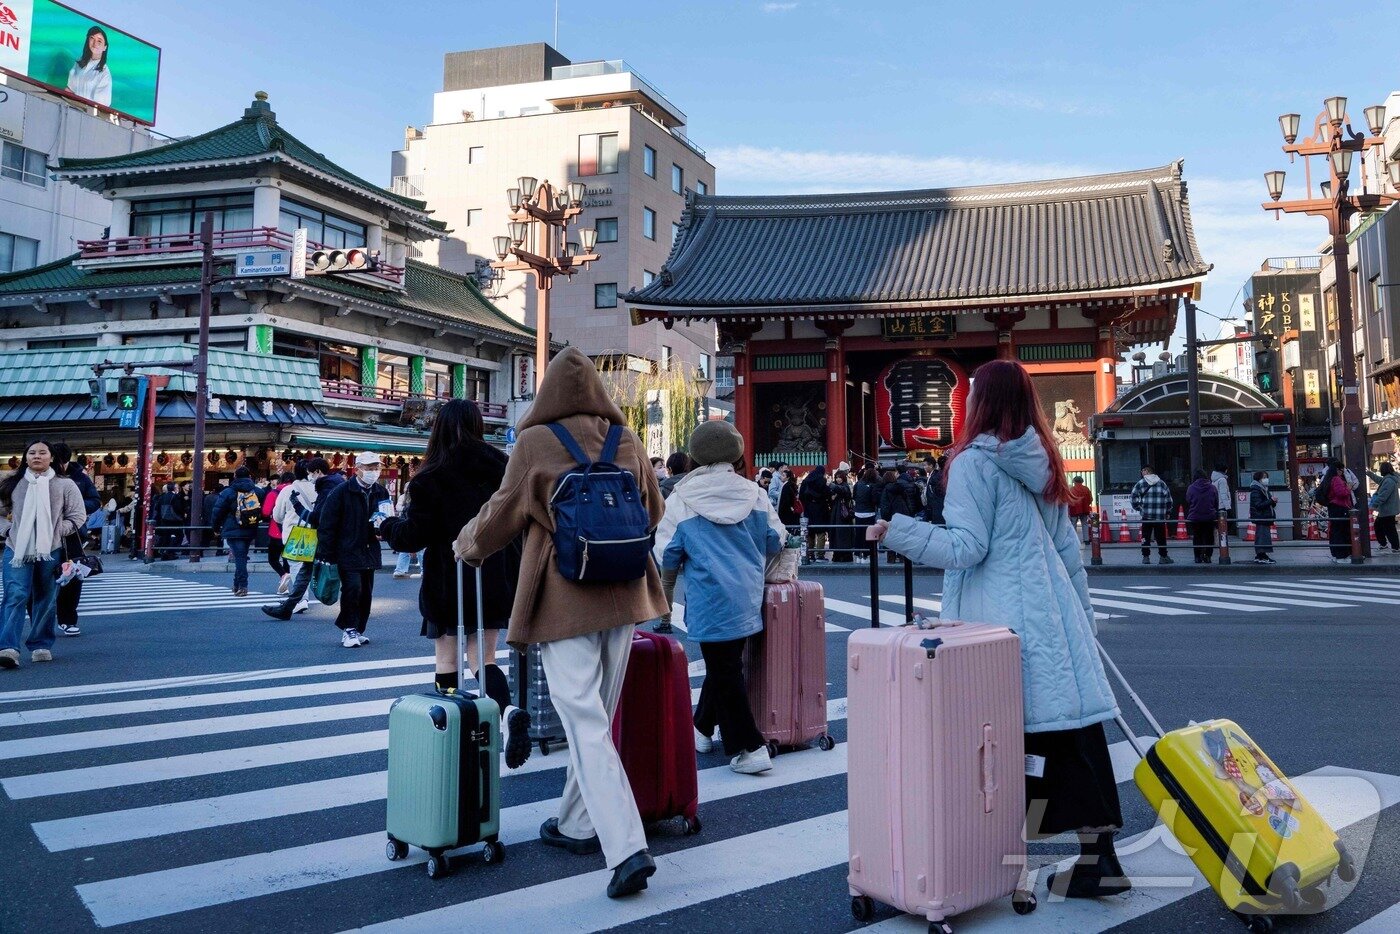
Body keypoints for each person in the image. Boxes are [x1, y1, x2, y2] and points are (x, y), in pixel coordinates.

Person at [866, 360, 1128, 899]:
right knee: (1071, 731)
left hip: (1000, 622)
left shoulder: (974, 464)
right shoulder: (1044, 460)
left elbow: (966, 548)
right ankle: (1098, 858)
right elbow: (1066, 552)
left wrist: (897, 532)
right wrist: (1082, 621)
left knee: (1002, 746)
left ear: (979, 402)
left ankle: (1003, 863)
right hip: (1054, 617)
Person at [454, 347, 668, 899]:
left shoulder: (534, 443)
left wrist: (467, 545)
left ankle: (625, 848)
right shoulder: (628, 440)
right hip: (626, 593)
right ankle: (576, 824)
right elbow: (655, 512)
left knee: (585, 721)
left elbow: (502, 513)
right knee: (595, 714)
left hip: (564, 597)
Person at [378, 400, 530, 767]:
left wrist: (385, 526)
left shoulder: (432, 475)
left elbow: (415, 535)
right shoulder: (502, 467)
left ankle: (451, 731)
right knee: (484, 657)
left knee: (447, 655)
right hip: (496, 573)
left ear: (439, 429)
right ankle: (506, 714)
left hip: (449, 576)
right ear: (478, 426)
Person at [655, 420, 784, 775]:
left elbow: (665, 552)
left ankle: (750, 747)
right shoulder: (754, 493)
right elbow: (776, 539)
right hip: (749, 593)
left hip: (708, 597)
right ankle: (701, 727)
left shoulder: (682, 499)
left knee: (724, 668)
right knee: (725, 664)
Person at [0, 440, 87, 669]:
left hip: (52, 550)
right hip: (16, 548)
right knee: (15, 595)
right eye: (31, 453)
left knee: (46, 599)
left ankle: (40, 644)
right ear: (25, 458)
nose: (36, 456)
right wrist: (8, 530)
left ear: (51, 458)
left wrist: (57, 530)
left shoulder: (65, 485)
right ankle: (8, 648)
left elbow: (78, 516)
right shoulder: (12, 483)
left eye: (42, 452)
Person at [315, 453, 390, 648]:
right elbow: (327, 523)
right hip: (346, 549)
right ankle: (348, 628)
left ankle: (357, 629)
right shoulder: (341, 492)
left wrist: (387, 529)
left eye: (376, 468)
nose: (373, 472)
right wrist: (327, 553)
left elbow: (388, 517)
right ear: (357, 469)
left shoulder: (381, 492)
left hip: (370, 549)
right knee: (352, 589)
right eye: (369, 468)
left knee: (366, 592)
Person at [263, 458, 330, 619]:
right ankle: (299, 600)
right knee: (309, 568)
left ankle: (300, 599)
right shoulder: (320, 488)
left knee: (297, 567)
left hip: (295, 534)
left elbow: (278, 516)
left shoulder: (288, 490)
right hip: (316, 533)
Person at [49, 444, 100, 638]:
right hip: (45, 534)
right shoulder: (39, 477)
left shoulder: (80, 478)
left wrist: (74, 508)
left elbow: (95, 500)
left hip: (72, 534)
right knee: (41, 576)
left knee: (71, 576)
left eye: (58, 461)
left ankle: (68, 620)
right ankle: (42, 619)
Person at [209, 466, 261, 596]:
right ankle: (236, 584)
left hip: (232, 528)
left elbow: (217, 512)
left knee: (240, 557)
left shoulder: (228, 492)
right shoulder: (258, 492)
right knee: (241, 556)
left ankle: (243, 586)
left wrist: (215, 528)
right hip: (250, 527)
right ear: (250, 476)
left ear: (235, 476)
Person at [1129, 466, 1174, 565]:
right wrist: (1168, 512)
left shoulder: (1140, 483)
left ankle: (1146, 557)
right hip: (1159, 516)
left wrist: (1139, 508)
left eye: (1143, 470)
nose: (1141, 472)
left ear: (1147, 471)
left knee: (1145, 537)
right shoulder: (1162, 483)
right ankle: (1163, 557)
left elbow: (1133, 497)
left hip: (1146, 515)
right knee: (1161, 537)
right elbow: (1169, 499)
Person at [263, 471, 294, 594]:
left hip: (276, 531)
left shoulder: (273, 493)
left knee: (273, 559)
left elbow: (265, 511)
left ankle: (283, 576)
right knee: (287, 559)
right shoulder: (297, 492)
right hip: (293, 531)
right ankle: (284, 584)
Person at [1317, 458, 1353, 563]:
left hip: (1333, 507)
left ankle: (1336, 554)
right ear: (1338, 469)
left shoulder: (1328, 478)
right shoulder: (1336, 479)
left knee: (1335, 531)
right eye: (1342, 470)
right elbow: (1341, 493)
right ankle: (1342, 555)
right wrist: (1348, 488)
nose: (1342, 473)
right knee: (1342, 532)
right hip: (1340, 507)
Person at [66, 26, 112, 108]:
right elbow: (69, 90)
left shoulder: (104, 73)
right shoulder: (79, 63)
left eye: (99, 41)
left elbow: (100, 107)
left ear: (105, 47)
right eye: (92, 38)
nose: (95, 43)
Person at [797, 465, 832, 560]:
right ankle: (820, 555)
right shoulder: (822, 482)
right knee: (821, 532)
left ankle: (810, 554)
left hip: (808, 508)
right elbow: (827, 495)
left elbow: (801, 497)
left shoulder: (806, 481)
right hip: (820, 508)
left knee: (810, 532)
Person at [1185, 469, 1218, 564]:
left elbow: (1188, 500)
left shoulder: (1191, 488)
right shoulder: (1212, 488)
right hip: (1209, 516)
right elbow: (1216, 501)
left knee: (1197, 536)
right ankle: (1208, 556)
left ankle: (1197, 557)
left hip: (1195, 516)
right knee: (1209, 536)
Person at [390, 485, 424, 579]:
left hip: (405, 524)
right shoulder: (417, 500)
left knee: (405, 549)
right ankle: (424, 570)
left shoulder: (405, 498)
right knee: (420, 549)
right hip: (414, 526)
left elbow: (400, 509)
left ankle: (400, 570)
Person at [1368, 462, 1400, 553]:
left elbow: (1383, 495)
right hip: (1388, 509)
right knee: (1382, 527)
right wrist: (1369, 473)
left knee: (1388, 529)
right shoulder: (1388, 479)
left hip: (1387, 510)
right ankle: (1386, 545)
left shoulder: (1388, 481)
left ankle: (1395, 547)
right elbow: (1379, 480)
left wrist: (1374, 505)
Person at [852, 467, 882, 561]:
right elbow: (875, 499)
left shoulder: (858, 484)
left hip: (858, 512)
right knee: (868, 534)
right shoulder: (873, 485)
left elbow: (854, 496)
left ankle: (857, 554)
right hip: (869, 512)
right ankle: (866, 554)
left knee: (859, 534)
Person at [1248, 471, 1278, 565]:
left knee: (1263, 536)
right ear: (1259, 478)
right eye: (1264, 477)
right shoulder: (1256, 490)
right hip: (1261, 516)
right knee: (1262, 536)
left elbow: (1268, 503)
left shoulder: (1264, 489)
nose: (1266, 479)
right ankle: (1261, 555)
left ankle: (1261, 555)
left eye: (1266, 477)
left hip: (1265, 516)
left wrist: (1272, 501)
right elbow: (1258, 505)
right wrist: (1271, 501)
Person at [151, 482, 184, 560]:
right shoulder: (175, 497)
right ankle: (169, 552)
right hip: (174, 520)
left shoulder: (162, 497)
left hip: (164, 520)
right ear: (174, 488)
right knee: (178, 536)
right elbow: (179, 508)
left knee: (166, 537)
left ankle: (164, 552)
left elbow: (157, 508)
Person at [828, 468, 855, 563]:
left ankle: (845, 555)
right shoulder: (837, 488)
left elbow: (842, 490)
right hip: (836, 514)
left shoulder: (845, 487)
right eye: (836, 477)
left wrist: (831, 485)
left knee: (843, 535)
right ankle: (837, 555)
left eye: (839, 477)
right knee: (837, 535)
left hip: (842, 515)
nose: (838, 479)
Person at [1067, 475, 1093, 542]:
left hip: (1074, 510)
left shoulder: (1072, 489)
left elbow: (1069, 500)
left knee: (1073, 524)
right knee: (1085, 524)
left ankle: (1074, 540)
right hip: (1084, 510)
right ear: (1082, 481)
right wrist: (1086, 505)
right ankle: (1086, 540)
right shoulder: (1086, 489)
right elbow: (1090, 499)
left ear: (1074, 482)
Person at [923, 461, 947, 525]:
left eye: (925, 465)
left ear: (931, 465)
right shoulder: (933, 476)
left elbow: (934, 493)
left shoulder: (935, 476)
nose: (924, 467)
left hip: (936, 506)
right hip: (934, 506)